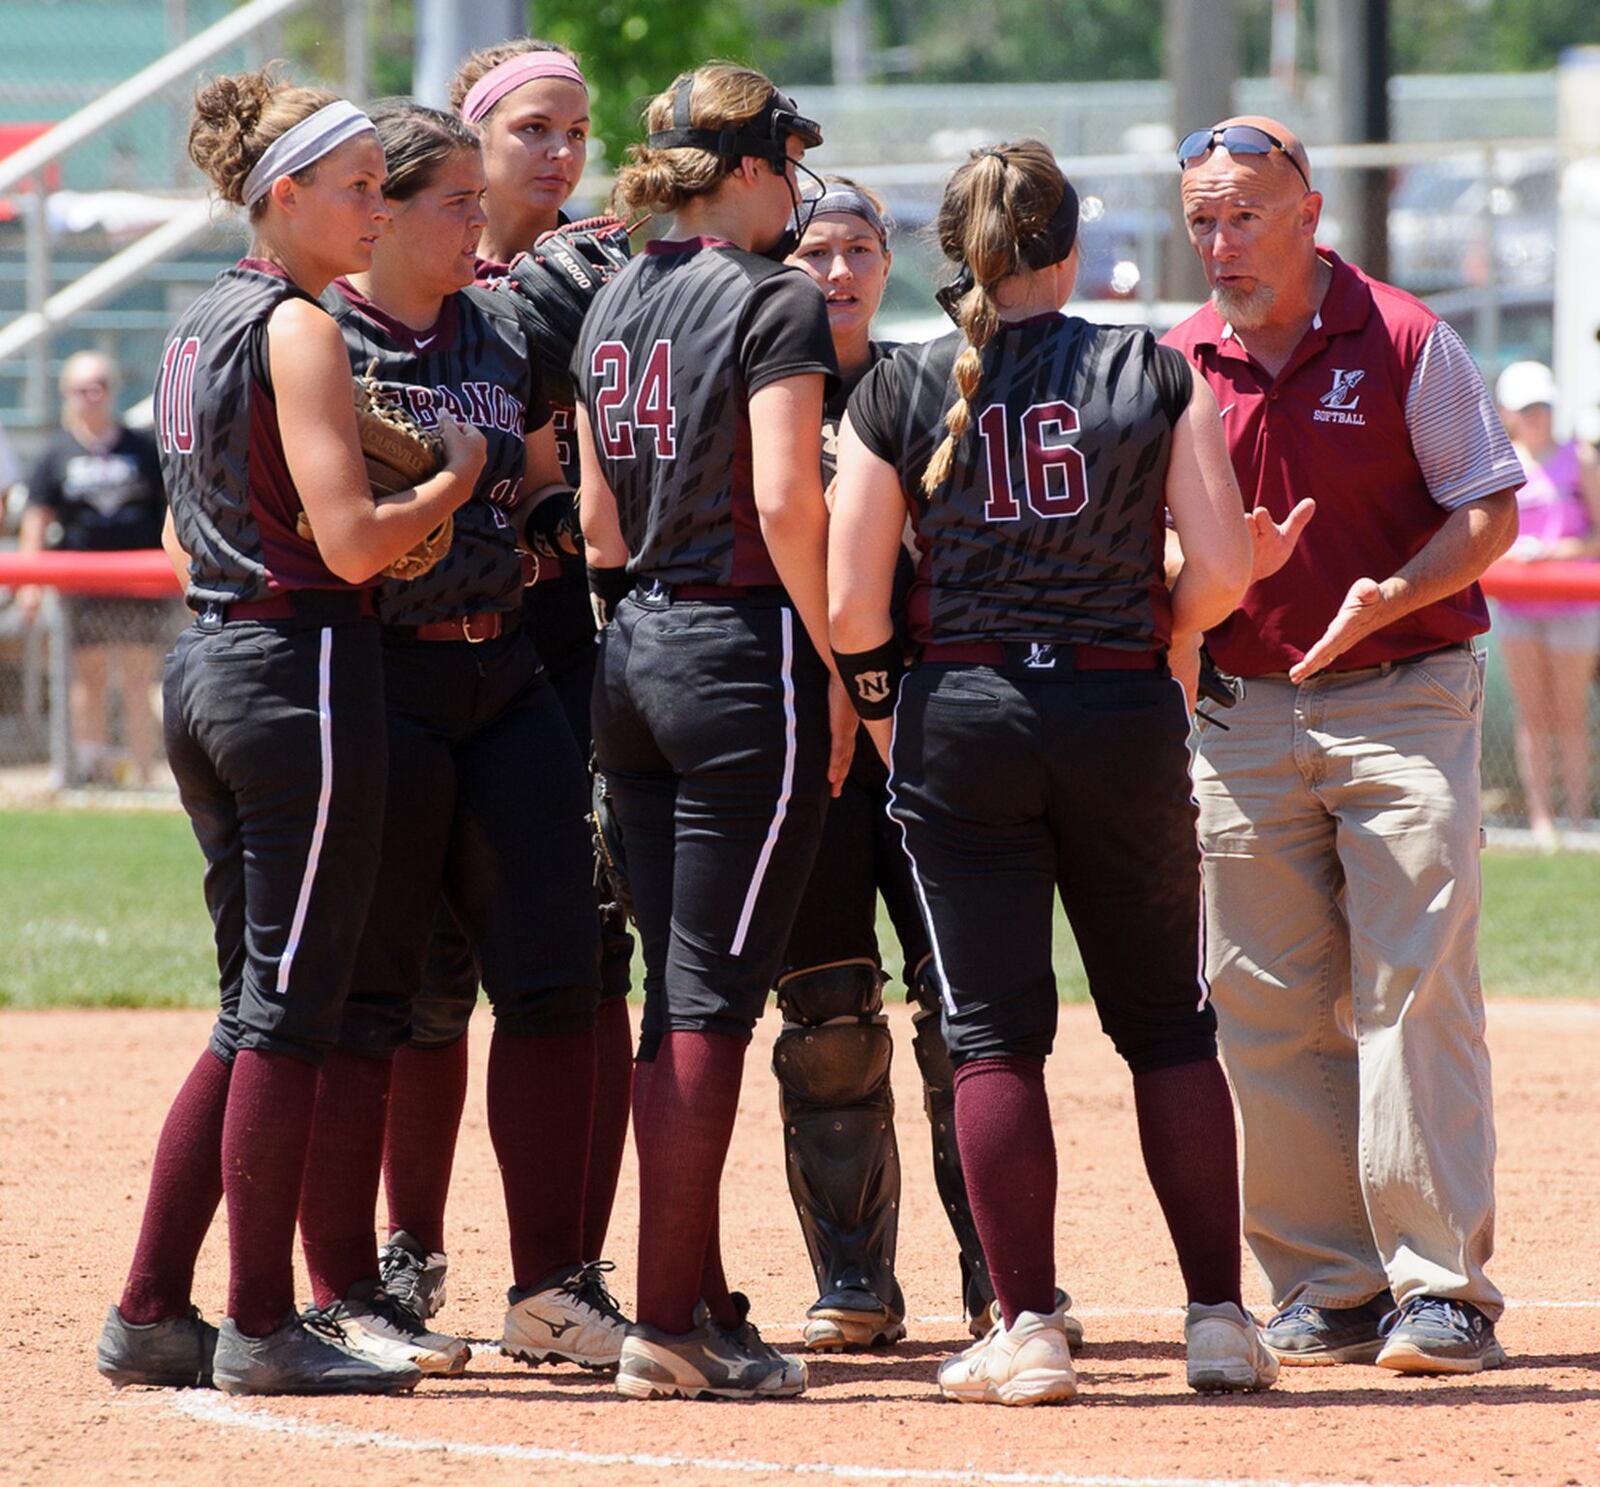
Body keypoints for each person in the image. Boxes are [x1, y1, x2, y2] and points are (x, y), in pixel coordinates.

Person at [829, 138, 1276, 1405]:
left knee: (992, 1039)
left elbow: (856, 602)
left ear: (952, 263)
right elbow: (1228, 568)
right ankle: (1216, 1321)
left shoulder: (902, 388)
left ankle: (1026, 1325)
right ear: (1068, 251)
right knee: (1167, 1026)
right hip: (1118, 701)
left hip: (964, 708)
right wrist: (1168, 631)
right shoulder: (1152, 364)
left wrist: (886, 713)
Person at [96, 67, 483, 1396]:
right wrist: (451, 477)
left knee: (246, 1008)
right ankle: (262, 1319)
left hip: (207, 660)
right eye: (360, 186)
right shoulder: (306, 329)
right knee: (286, 1011)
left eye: (386, 182)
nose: (379, 207)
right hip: (298, 664)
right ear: (284, 194)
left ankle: (156, 1307)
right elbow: (352, 542)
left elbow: (175, 525)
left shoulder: (198, 321)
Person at [1163, 116, 1523, 1374]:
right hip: (1242, 712)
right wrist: (1193, 578)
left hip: (1403, 694)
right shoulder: (1176, 362)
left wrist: (1397, 592)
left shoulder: (1406, 336)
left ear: (1308, 211)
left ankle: (1440, 1288)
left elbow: (1486, 510)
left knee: (1413, 982)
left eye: (1243, 214)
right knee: (1261, 1006)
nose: (1220, 242)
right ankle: (1326, 1282)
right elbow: (1149, 559)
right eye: (1201, 218)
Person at [293, 100, 624, 1379]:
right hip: (379, 677)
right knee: (366, 993)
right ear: (384, 213)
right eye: (455, 204)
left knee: (554, 970)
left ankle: (547, 1286)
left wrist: (550, 517)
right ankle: (343, 1293)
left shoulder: (490, 326)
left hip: (505, 669)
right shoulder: (320, 337)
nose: (477, 224)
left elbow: (539, 473)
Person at [575, 62, 852, 1401]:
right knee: (710, 1003)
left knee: (672, 997)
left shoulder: (617, 289)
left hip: (629, 651)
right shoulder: (773, 293)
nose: (795, 184)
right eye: (787, 160)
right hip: (745, 652)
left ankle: (679, 1297)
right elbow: (790, 497)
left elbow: (598, 527)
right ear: (745, 168)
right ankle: (673, 1316)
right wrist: (850, 662)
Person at [773, 175, 1070, 1352]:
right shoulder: (757, 379)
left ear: (890, 263)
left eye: (856, 249)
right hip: (804, 738)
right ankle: (854, 1275)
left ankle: (995, 1277)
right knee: (827, 1009)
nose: (835, 272)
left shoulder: (924, 380)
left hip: (927, 727)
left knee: (963, 1010)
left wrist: (884, 693)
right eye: (812, 250)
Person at [374, 41, 634, 1324]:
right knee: (420, 972)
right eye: (533, 126)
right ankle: (404, 1249)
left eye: (576, 129)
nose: (559, 151)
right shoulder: (417, 283)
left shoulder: (606, 263)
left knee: (586, 949)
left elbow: (553, 472)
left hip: (566, 640)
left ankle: (568, 1264)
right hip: (430, 640)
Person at [19, 351, 168, 786]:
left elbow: (170, 510)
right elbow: (37, 517)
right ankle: (96, 770)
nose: (93, 395)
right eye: (83, 388)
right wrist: (29, 584)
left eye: (100, 385)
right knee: (90, 679)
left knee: (139, 679)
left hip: (140, 583)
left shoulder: (141, 447)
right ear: (68, 394)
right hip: (82, 584)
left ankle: (143, 773)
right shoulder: (56, 452)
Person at [1492, 360, 1600, 844]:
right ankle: (1541, 821)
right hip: (1518, 605)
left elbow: (1597, 533)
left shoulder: (1581, 459)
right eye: (1529, 407)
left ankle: (1577, 818)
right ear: (1510, 412)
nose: (1538, 415)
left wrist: (1559, 552)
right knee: (1532, 716)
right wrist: (1517, 555)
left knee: (1570, 714)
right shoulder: (1501, 460)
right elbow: (1490, 534)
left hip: (1574, 603)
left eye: (1544, 406)